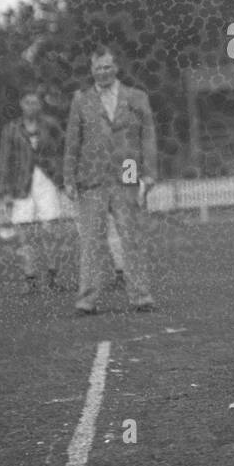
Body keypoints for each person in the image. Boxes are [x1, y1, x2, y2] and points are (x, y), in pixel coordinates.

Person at [63, 46, 158, 315]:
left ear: (116, 68)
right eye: (97, 68)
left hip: (127, 175)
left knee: (132, 238)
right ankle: (86, 301)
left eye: (106, 67)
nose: (102, 72)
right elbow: (72, 141)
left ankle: (141, 297)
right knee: (91, 243)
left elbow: (148, 137)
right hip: (90, 179)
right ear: (91, 71)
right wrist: (68, 178)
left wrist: (149, 173)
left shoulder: (137, 97)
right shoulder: (80, 100)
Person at [0, 85, 67, 293]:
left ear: (40, 104)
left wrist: (62, 173)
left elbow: (65, 148)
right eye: (27, 102)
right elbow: (4, 160)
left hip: (47, 182)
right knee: (25, 234)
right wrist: (5, 190)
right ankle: (31, 280)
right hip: (21, 185)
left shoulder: (51, 125)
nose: (31, 106)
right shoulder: (11, 129)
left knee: (51, 231)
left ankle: (53, 279)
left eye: (35, 102)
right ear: (21, 104)